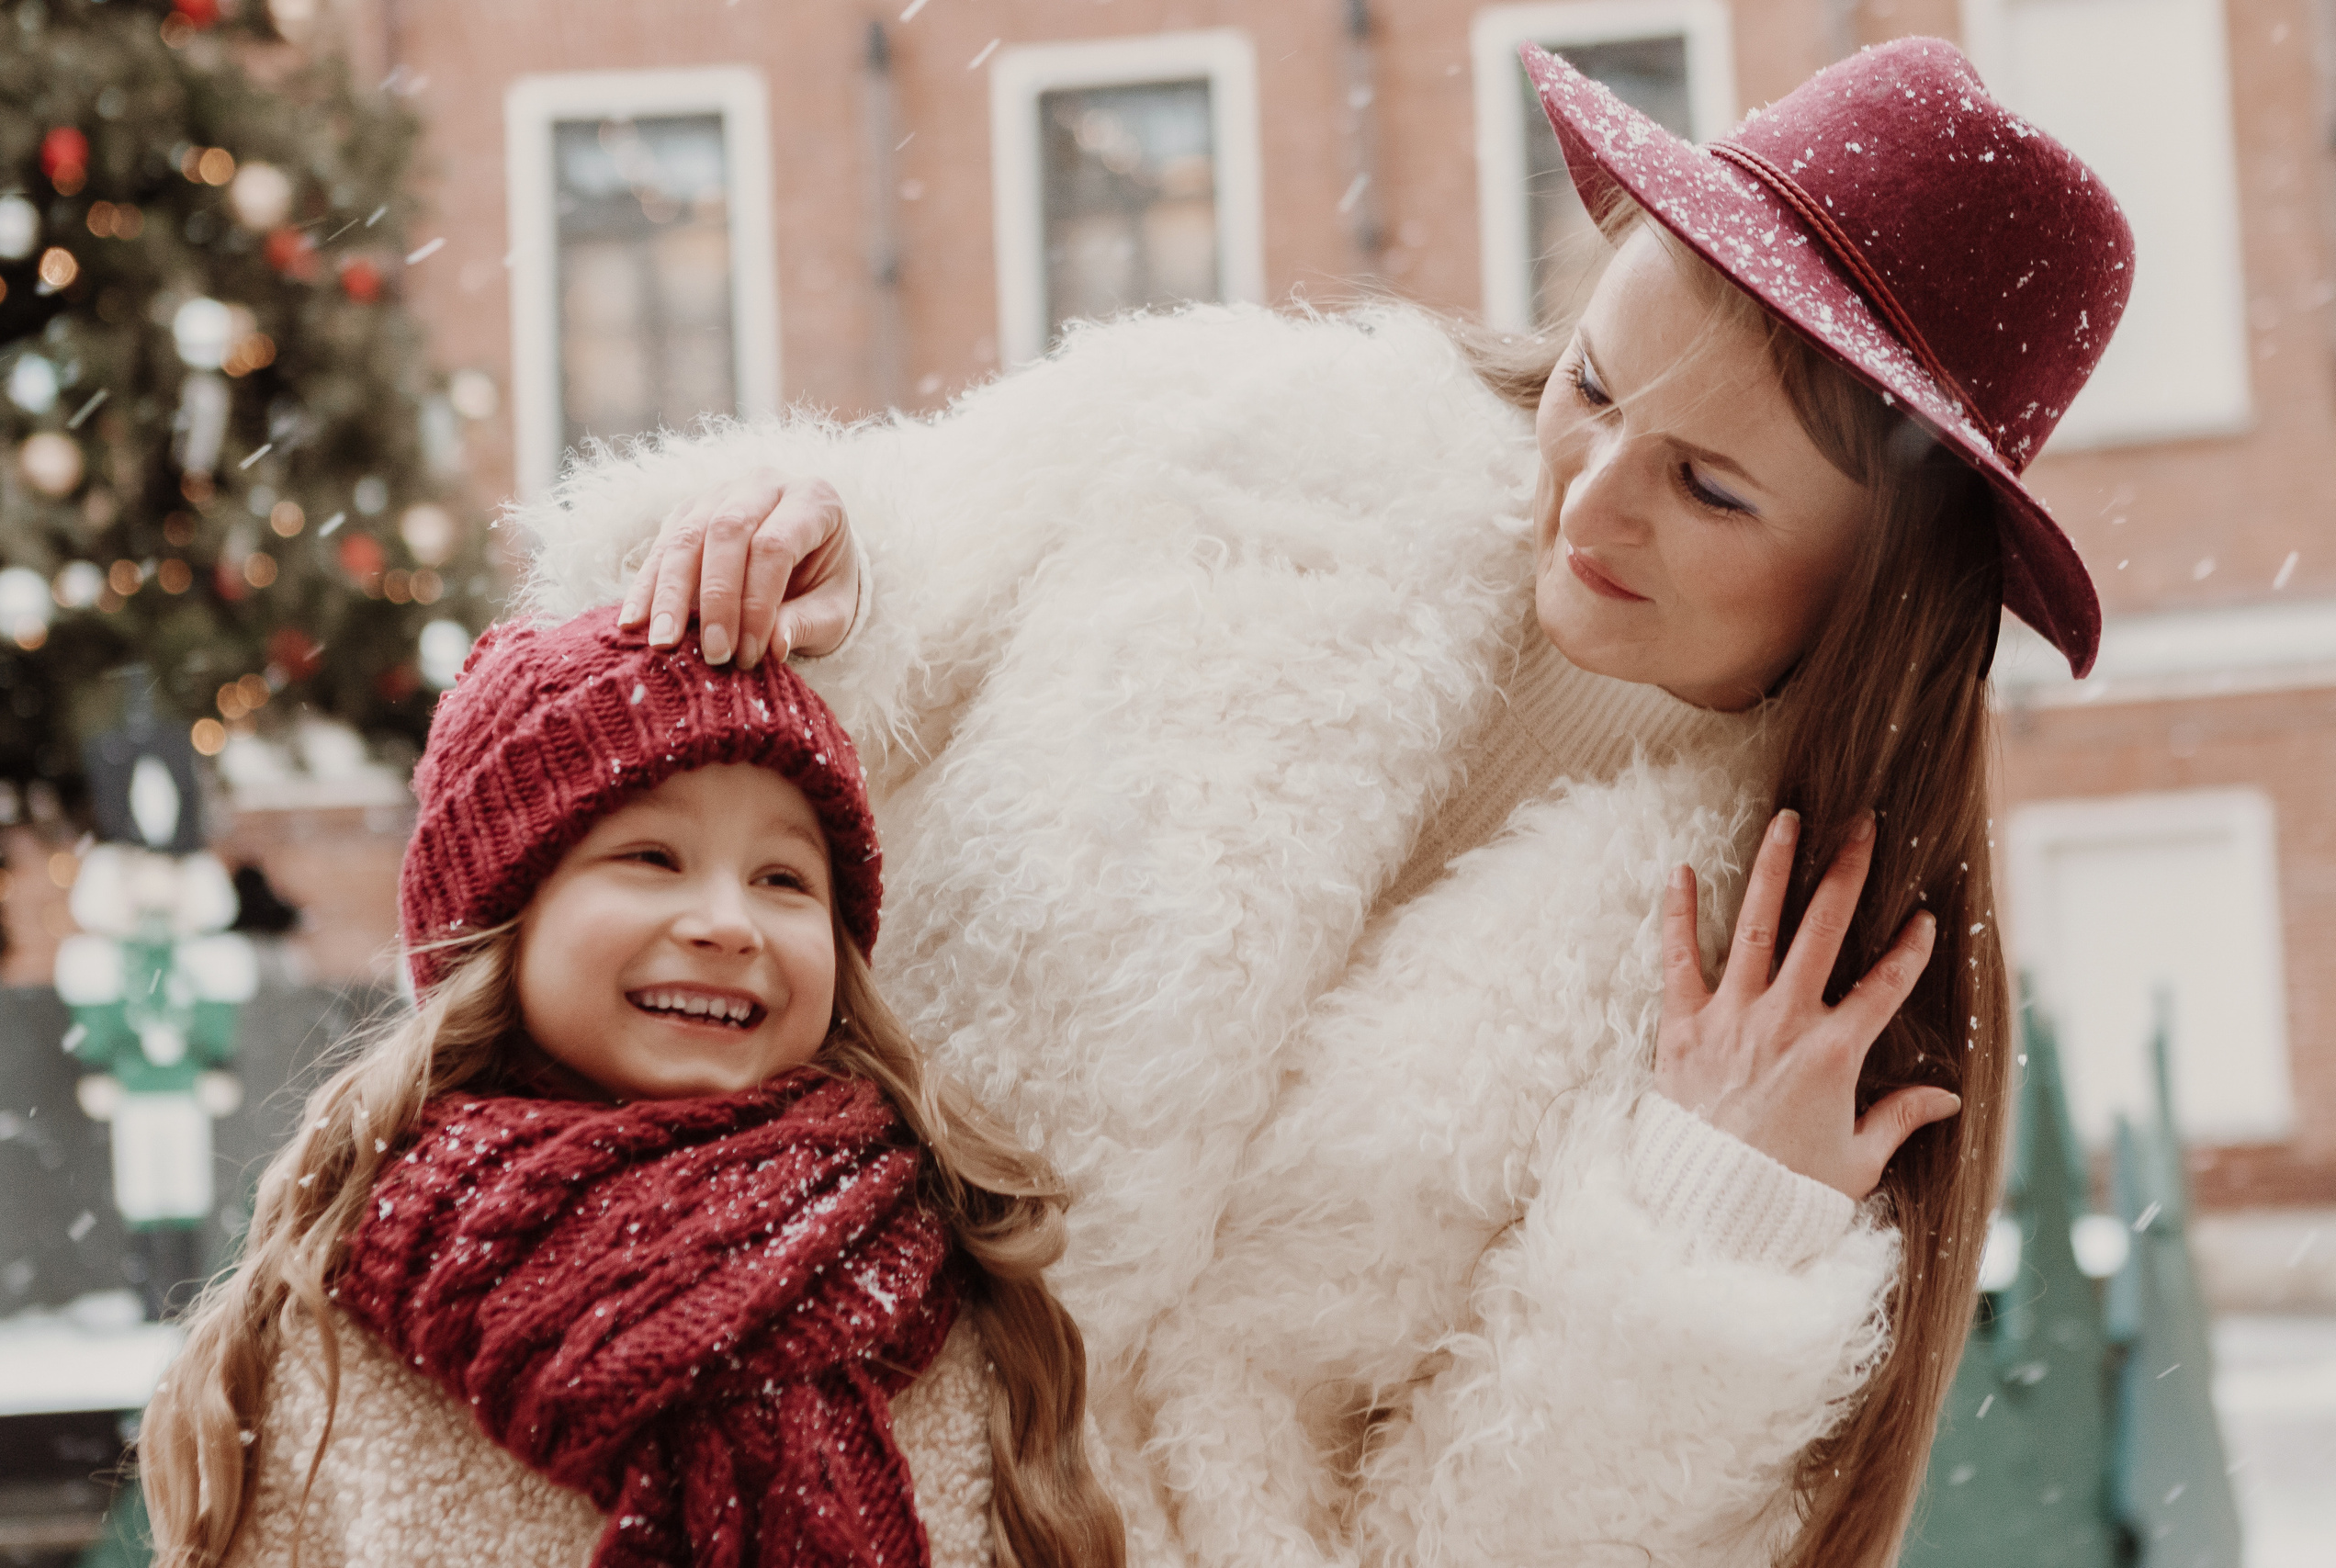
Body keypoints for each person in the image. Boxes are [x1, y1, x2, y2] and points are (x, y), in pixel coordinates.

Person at [520, 37, 2130, 1568]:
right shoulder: (1242, 441)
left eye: (1710, 485)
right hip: (670, 1424)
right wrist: (807, 549)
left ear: (1889, 583)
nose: (1593, 494)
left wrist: (1709, 1223)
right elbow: (742, 686)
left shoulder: (1797, 1023)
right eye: (1592, 385)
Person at [137, 607, 1127, 1568]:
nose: (728, 922)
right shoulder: (329, 1325)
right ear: (503, 921)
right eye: (651, 856)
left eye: (784, 879)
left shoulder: (957, 1274)